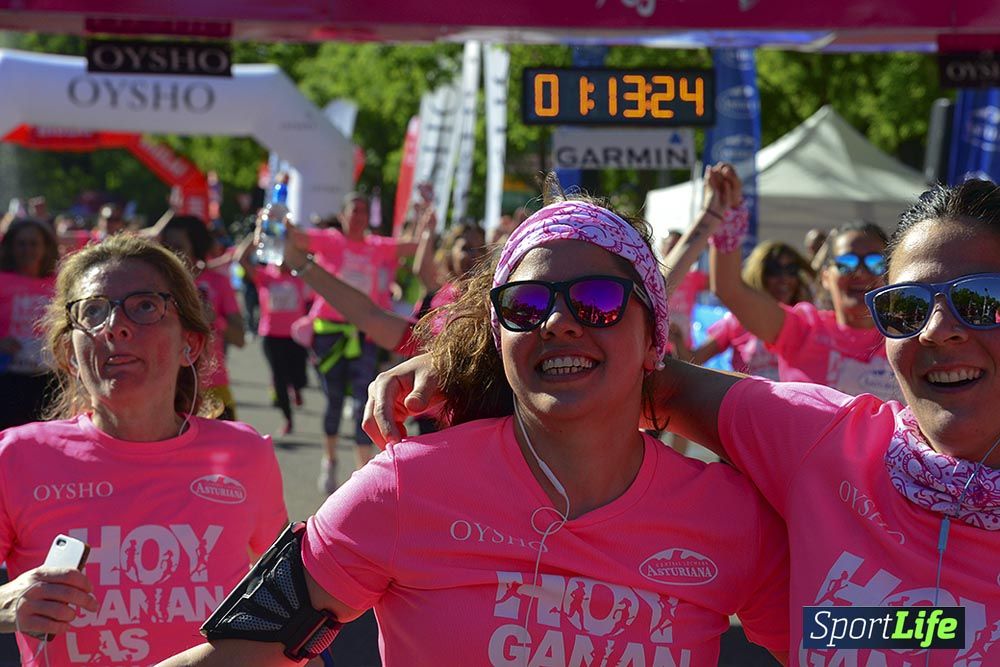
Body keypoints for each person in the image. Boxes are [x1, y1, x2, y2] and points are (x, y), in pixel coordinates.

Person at [363, 177, 1000, 666]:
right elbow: (617, 371)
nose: (939, 331)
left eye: (981, 301)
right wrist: (461, 359)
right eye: (908, 306)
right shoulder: (825, 441)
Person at [159, 187, 789, 666]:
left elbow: (863, 638)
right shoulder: (407, 485)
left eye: (598, 300)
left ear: (655, 332)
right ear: (500, 332)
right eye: (527, 304)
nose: (560, 324)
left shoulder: (727, 515)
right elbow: (245, 651)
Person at [0, 234, 288, 665]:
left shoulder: (245, 454)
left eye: (145, 306)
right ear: (70, 356)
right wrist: (5, 601)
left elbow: (289, 604)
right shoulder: (17, 458)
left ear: (189, 344)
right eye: (92, 311)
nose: (115, 325)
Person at [709, 170, 901, 400]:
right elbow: (729, 289)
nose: (860, 272)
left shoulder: (905, 340)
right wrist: (729, 214)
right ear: (825, 277)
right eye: (846, 263)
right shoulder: (803, 330)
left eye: (875, 262)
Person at [305, 192, 418, 492]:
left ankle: (361, 472)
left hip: (365, 333)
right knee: (333, 401)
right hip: (329, 332)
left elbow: (412, 248)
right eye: (353, 211)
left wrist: (423, 217)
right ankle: (329, 461)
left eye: (363, 212)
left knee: (362, 402)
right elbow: (295, 239)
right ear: (342, 216)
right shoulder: (329, 241)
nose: (358, 217)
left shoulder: (376, 247)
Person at [673, 240, 813, 379]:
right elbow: (694, 359)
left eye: (791, 270)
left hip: (797, 400)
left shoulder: (807, 320)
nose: (784, 278)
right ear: (759, 274)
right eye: (774, 270)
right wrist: (676, 339)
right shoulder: (736, 320)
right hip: (750, 400)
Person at [160, 215, 246, 419]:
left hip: (213, 389)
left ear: (196, 246)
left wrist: (214, 319)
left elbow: (240, 339)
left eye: (178, 245)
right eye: (167, 245)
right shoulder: (153, 286)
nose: (171, 253)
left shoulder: (219, 283)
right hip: (164, 391)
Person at [236, 237, 310, 436]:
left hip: (295, 337)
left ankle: (297, 388)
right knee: (279, 378)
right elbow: (241, 259)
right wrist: (257, 236)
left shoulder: (300, 277)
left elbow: (317, 260)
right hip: (271, 336)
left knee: (299, 377)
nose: (284, 261)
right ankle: (287, 418)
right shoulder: (265, 276)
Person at [0, 218, 59, 429]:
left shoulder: (59, 283)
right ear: (11, 247)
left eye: (34, 243)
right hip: (8, 378)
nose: (28, 249)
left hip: (49, 380)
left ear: (45, 247)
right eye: (21, 243)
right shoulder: (2, 280)